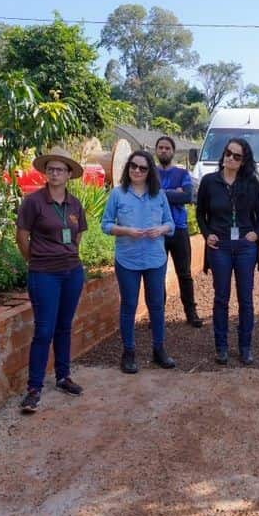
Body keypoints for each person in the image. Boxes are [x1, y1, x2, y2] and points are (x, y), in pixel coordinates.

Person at [16, 145, 89, 413]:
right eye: (51, 169)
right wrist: (35, 259)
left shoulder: (75, 204)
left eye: (60, 169)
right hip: (44, 273)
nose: (55, 173)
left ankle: (63, 376)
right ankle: (34, 388)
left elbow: (78, 234)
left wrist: (67, 253)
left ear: (69, 174)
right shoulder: (34, 202)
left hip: (71, 271)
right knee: (44, 329)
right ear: (45, 173)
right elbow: (22, 236)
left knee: (64, 326)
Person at [102, 150, 177, 373]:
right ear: (128, 168)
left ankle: (159, 350)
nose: (137, 170)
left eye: (142, 168)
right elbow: (105, 225)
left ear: (149, 171)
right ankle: (129, 352)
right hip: (127, 260)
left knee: (156, 305)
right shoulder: (118, 194)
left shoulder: (159, 195)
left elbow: (171, 225)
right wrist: (125, 230)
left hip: (155, 259)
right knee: (129, 305)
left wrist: (161, 229)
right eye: (133, 166)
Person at [196, 137, 259, 366]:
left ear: (244, 160)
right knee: (221, 298)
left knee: (246, 299)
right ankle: (222, 347)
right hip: (221, 247)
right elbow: (200, 213)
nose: (230, 158)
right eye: (228, 153)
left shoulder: (251, 184)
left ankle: (245, 347)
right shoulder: (209, 182)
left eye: (237, 156)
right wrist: (207, 234)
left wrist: (256, 233)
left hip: (245, 247)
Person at [155, 135, 203, 328]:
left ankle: (191, 313)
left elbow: (188, 196)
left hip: (179, 229)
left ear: (173, 151)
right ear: (156, 151)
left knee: (184, 273)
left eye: (167, 148)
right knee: (157, 274)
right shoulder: (150, 173)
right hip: (157, 231)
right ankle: (159, 314)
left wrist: (161, 194)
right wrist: (174, 193)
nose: (164, 151)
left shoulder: (182, 173)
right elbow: (148, 196)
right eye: (161, 148)